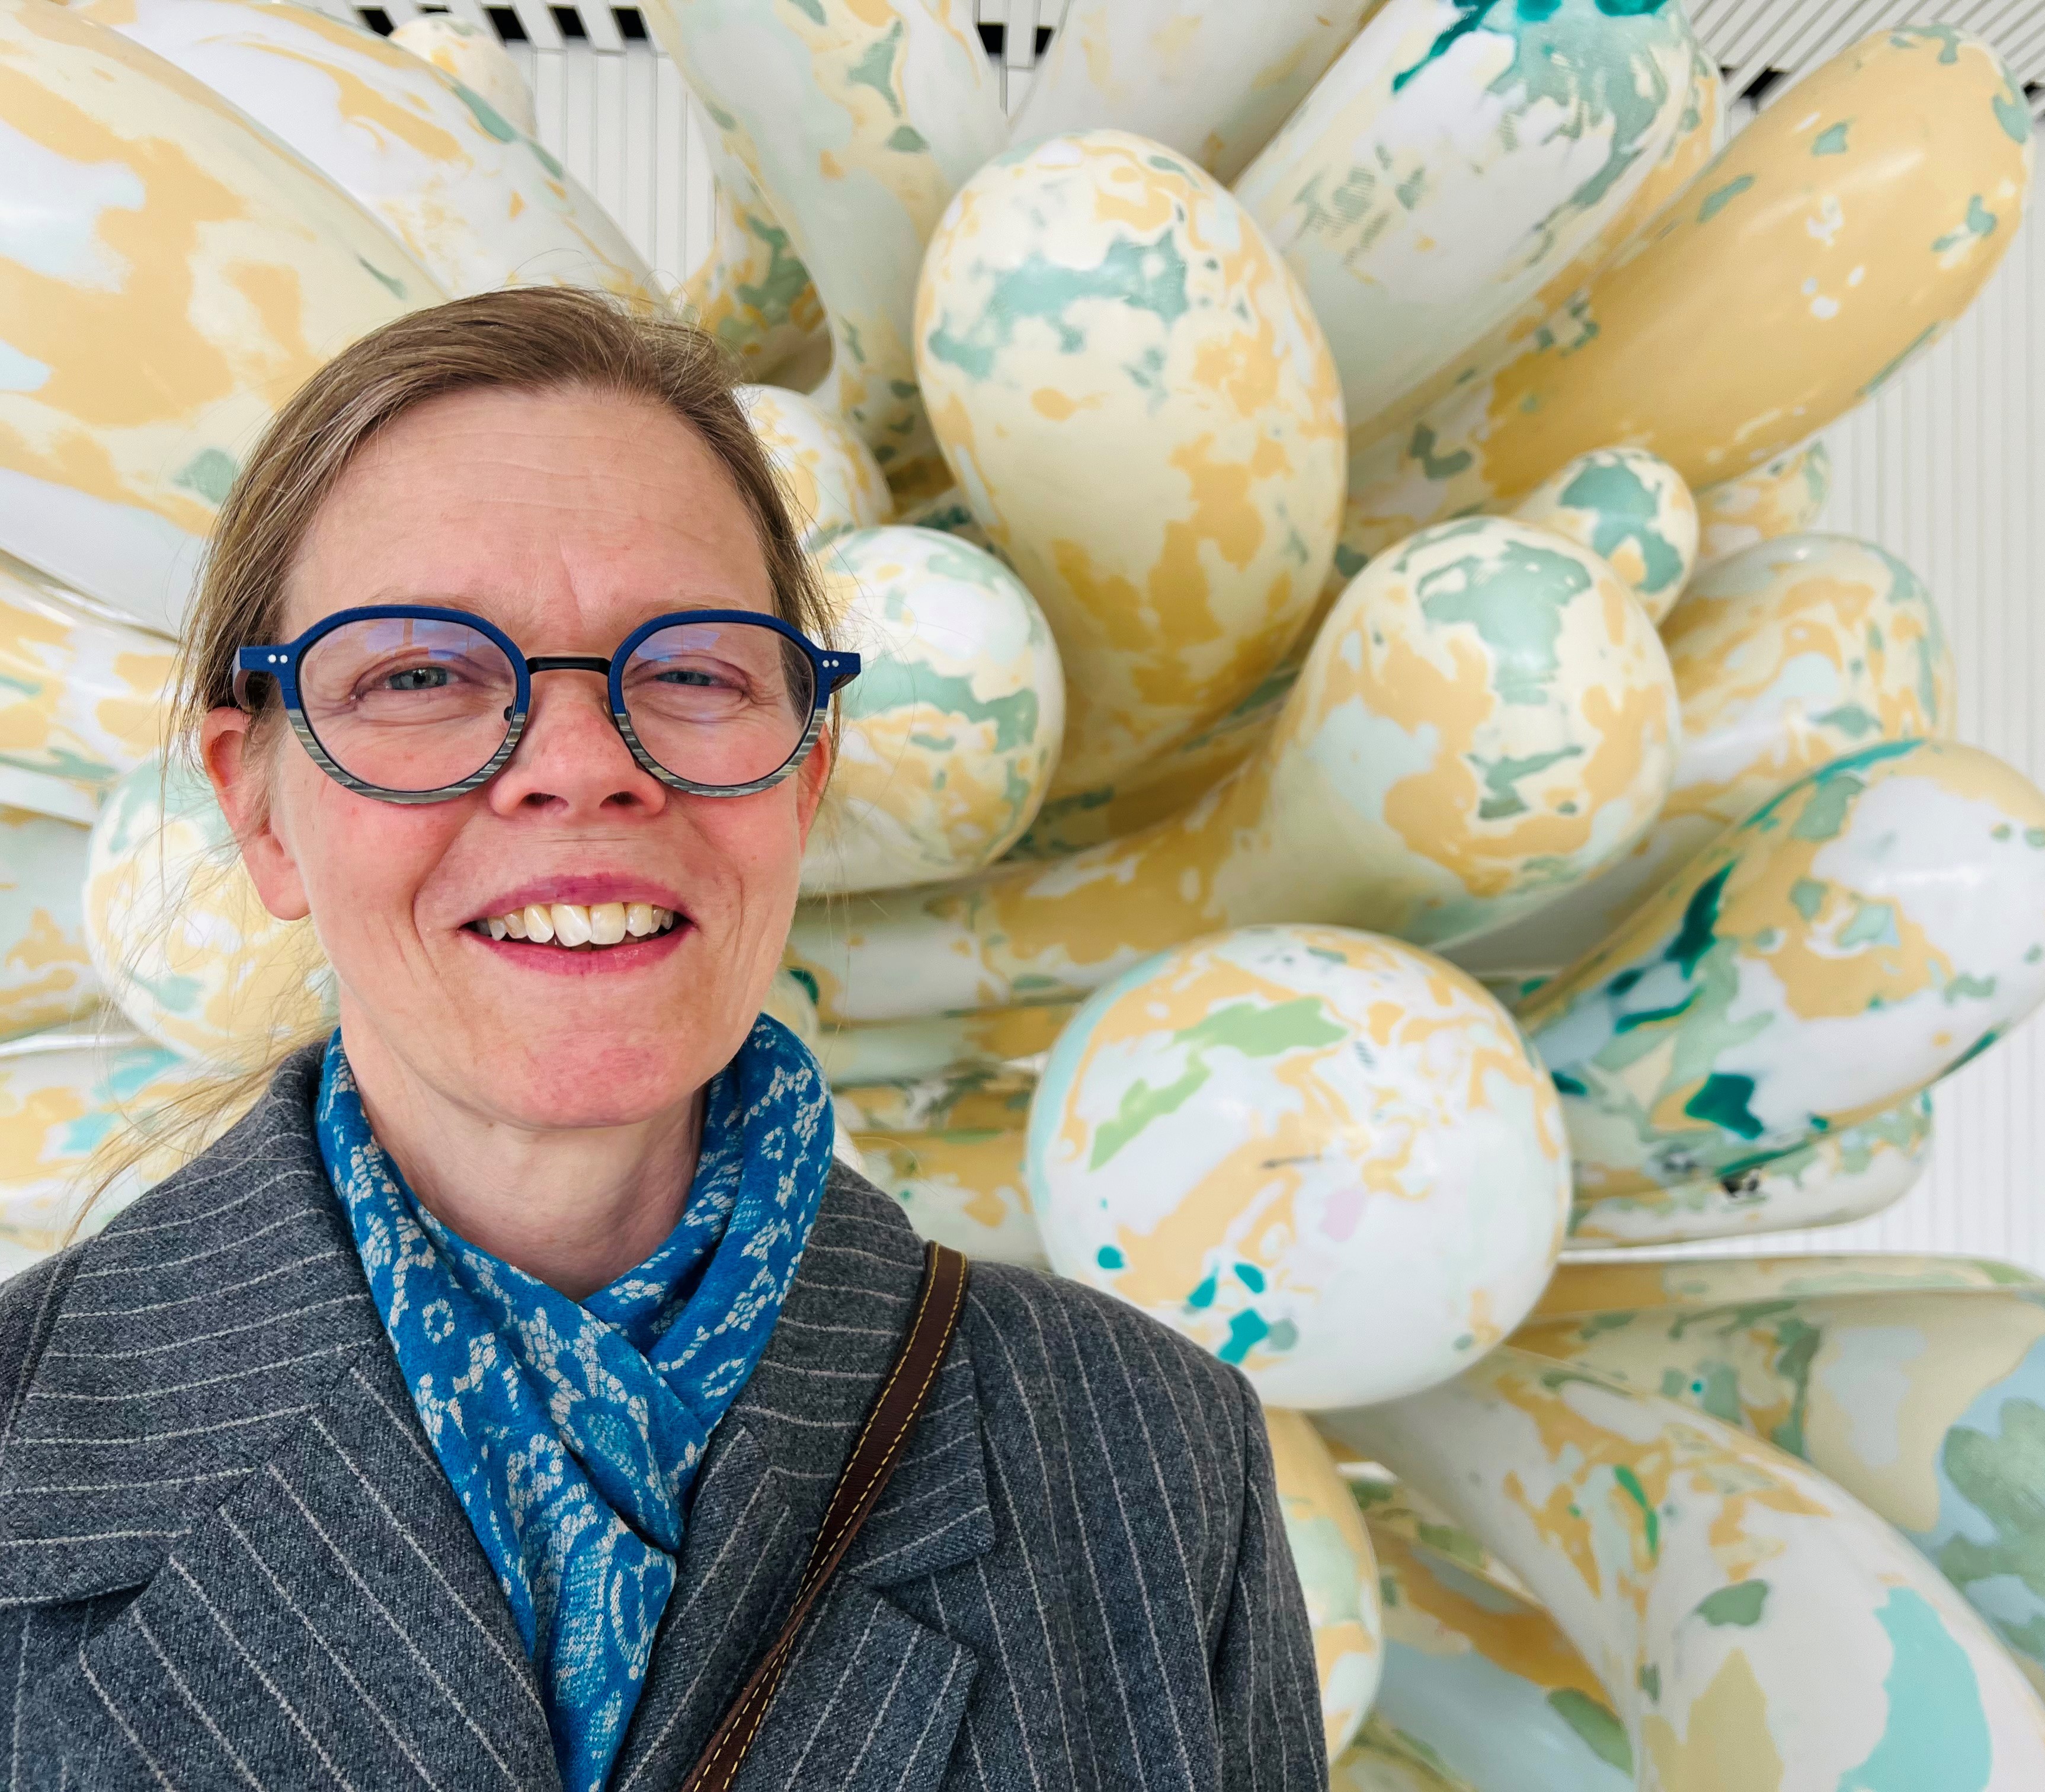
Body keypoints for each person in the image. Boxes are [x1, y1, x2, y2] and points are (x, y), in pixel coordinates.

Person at [0, 289, 1326, 1791]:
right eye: (420, 674)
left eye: (691, 672)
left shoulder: (1153, 1460)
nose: (580, 767)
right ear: (258, 805)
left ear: (804, 778)